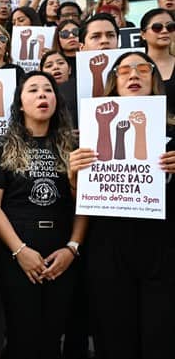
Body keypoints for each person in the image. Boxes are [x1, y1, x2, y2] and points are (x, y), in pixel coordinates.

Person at [68, 51, 175, 359]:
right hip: (109, 248)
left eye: (143, 69)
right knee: (113, 337)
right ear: (113, 82)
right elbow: (82, 203)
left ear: (155, 80)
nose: (134, 75)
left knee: (161, 337)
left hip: (163, 249)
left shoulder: (173, 129)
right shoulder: (89, 130)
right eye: (125, 70)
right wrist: (75, 176)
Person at [0, 71, 87, 359]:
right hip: (16, 252)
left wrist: (72, 248)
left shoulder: (75, 147)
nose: (42, 95)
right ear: (20, 104)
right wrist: (19, 251)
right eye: (33, 90)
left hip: (62, 252)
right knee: (22, 337)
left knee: (52, 337)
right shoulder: (1, 146)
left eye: (48, 90)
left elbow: (86, 203)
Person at [140, 8, 175, 113]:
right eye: (157, 27)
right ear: (143, 34)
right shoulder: (132, 68)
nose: (164, 31)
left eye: (170, 26)